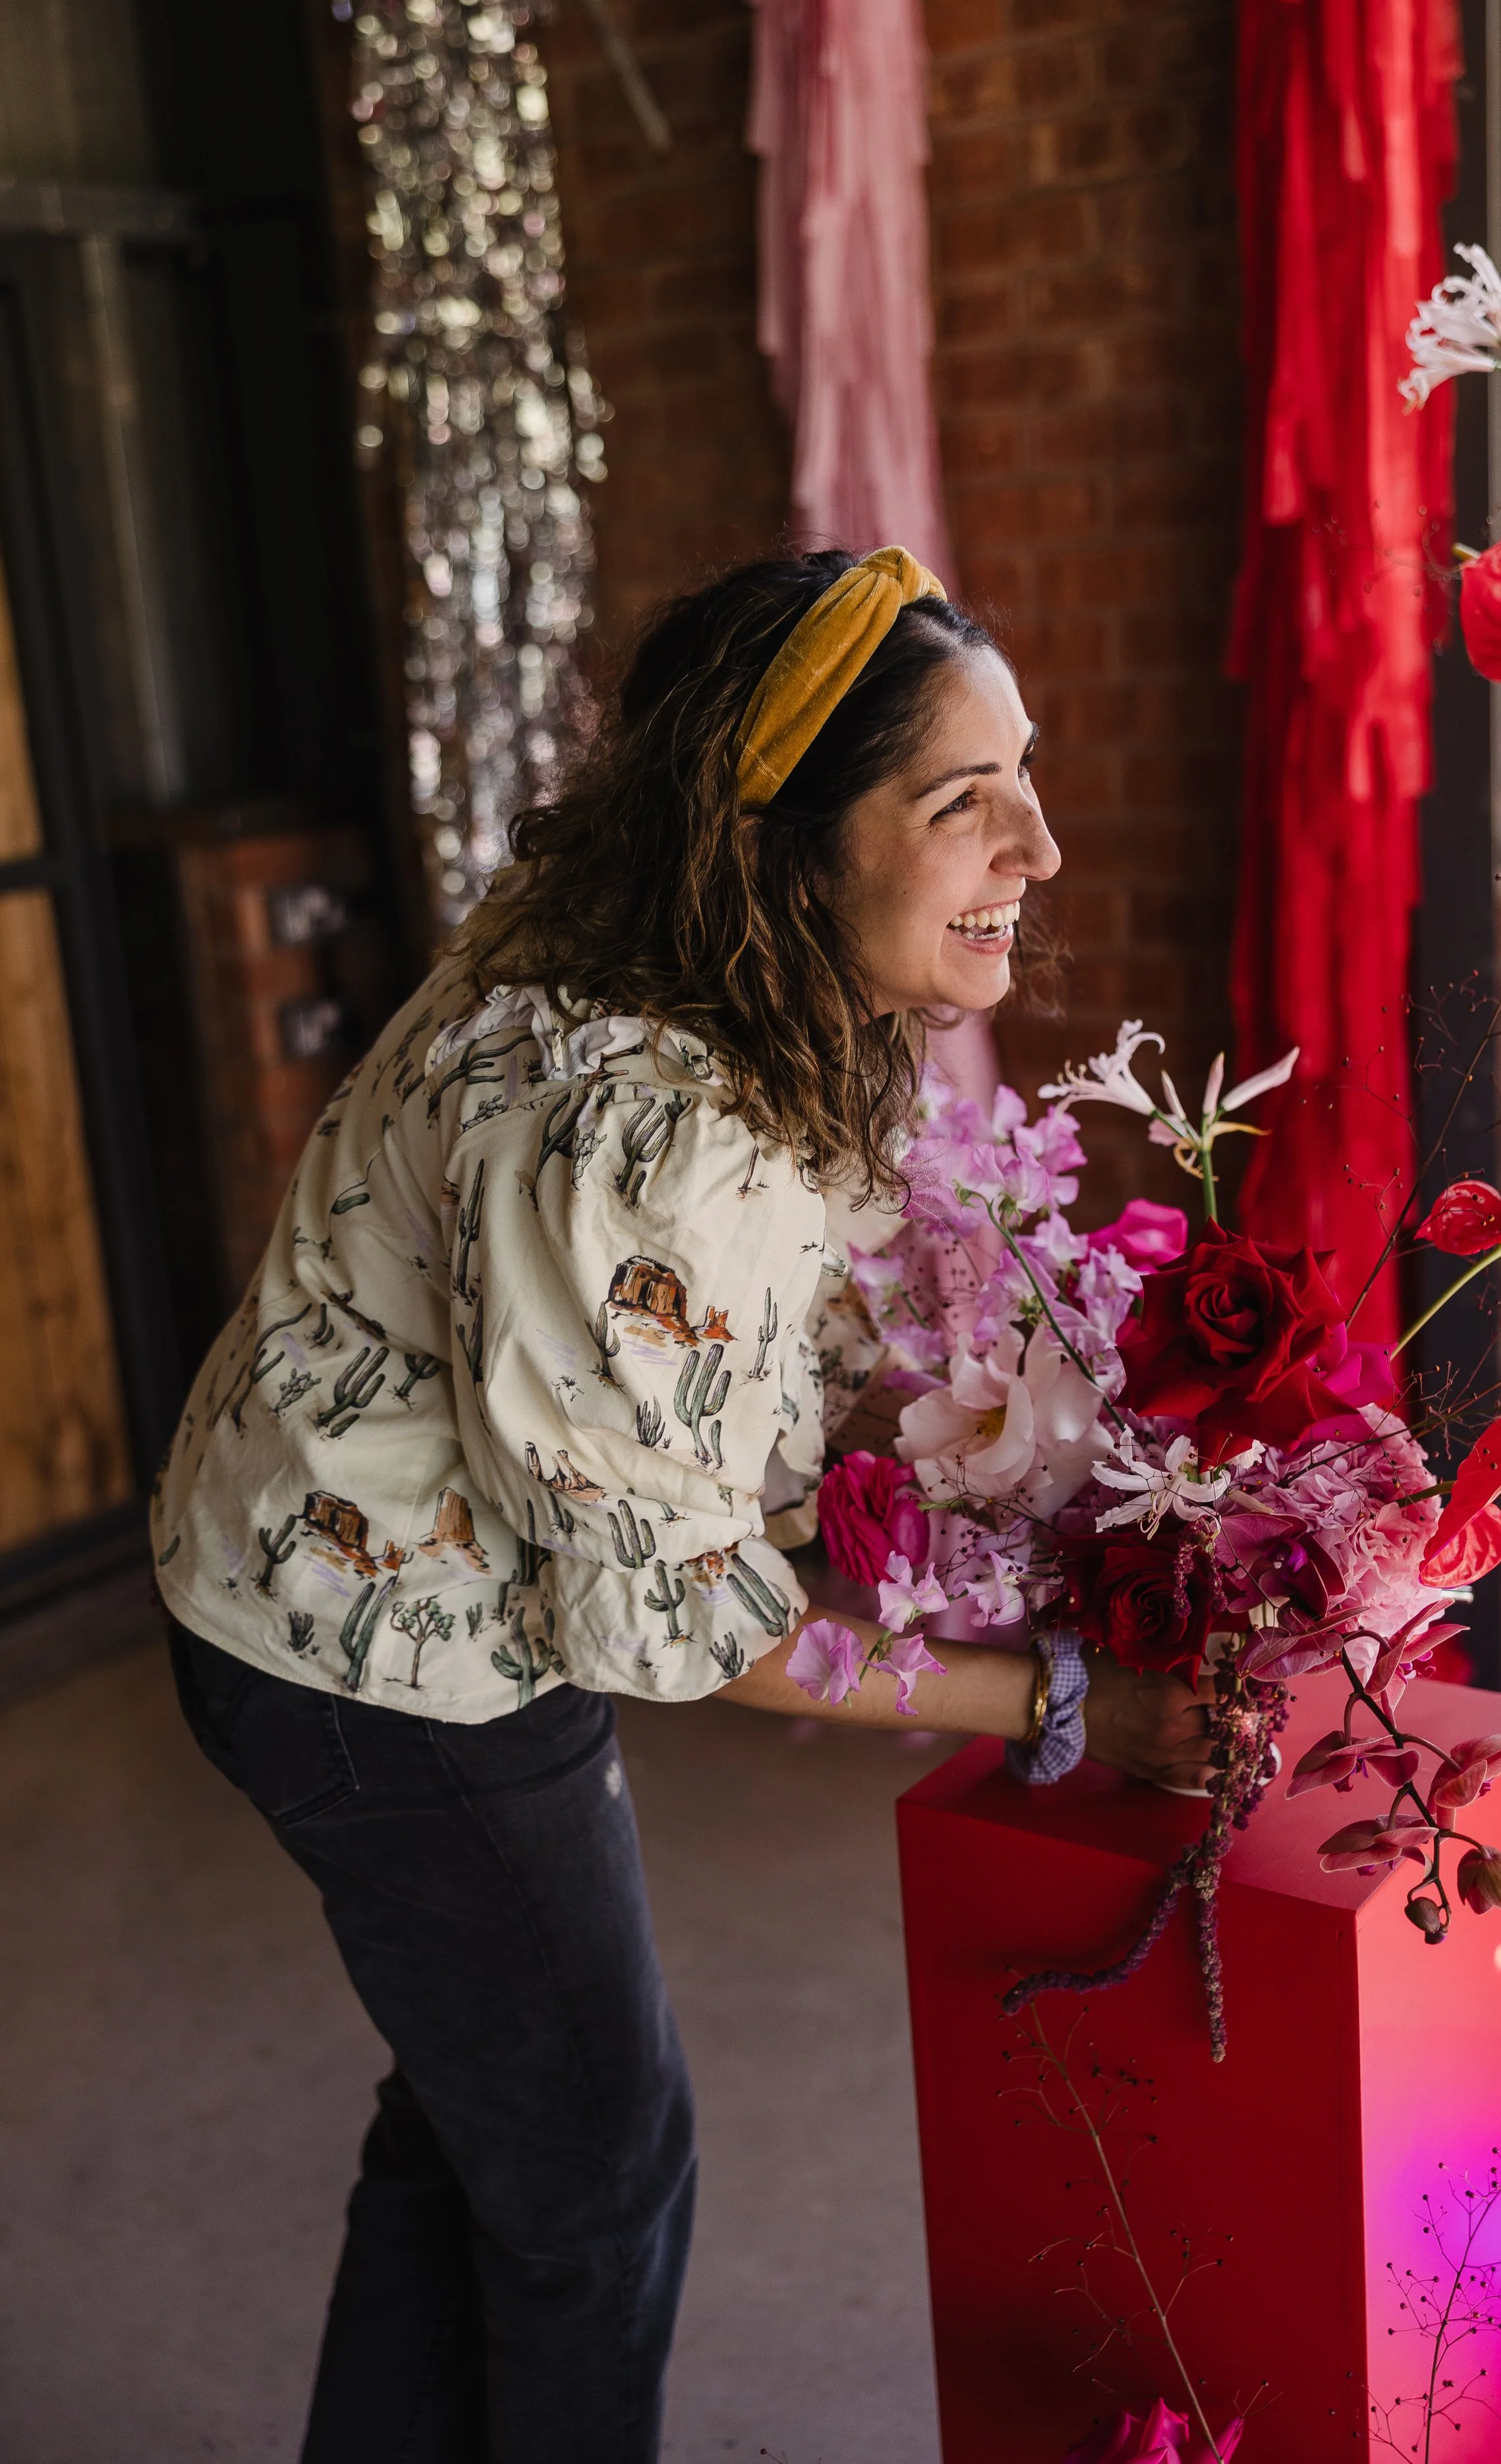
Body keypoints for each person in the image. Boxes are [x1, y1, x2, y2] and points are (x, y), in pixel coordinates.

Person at [154, 545, 1216, 2463]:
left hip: (288, 1547)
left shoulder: (659, 938)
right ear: (790, 844)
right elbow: (670, 1626)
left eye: (1024, 771)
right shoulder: (648, 1127)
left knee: (482, 2119)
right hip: (382, 1665)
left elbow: (752, 1337)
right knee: (598, 2189)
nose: (1037, 848)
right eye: (958, 800)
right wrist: (1060, 1697)